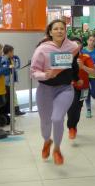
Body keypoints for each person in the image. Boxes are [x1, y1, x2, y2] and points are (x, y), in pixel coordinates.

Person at [32, 19, 80, 165]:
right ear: (50, 32)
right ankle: (47, 141)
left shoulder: (73, 47)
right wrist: (45, 75)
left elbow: (74, 64)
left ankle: (57, 149)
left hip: (65, 88)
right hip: (45, 89)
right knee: (45, 121)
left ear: (66, 31)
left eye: (62, 28)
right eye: (56, 29)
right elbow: (33, 72)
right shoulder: (42, 49)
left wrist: (77, 78)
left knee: (57, 118)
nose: (59, 31)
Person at [66, 38, 95, 140]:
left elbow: (93, 72)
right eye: (73, 43)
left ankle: (74, 126)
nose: (75, 45)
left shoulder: (86, 57)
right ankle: (71, 128)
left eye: (78, 43)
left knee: (78, 108)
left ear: (81, 46)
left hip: (84, 88)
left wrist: (83, 67)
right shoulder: (66, 57)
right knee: (72, 106)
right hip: (70, 87)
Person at [3, 44, 25, 117]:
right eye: (12, 52)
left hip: (11, 80)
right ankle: (14, 110)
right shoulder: (4, 60)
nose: (13, 53)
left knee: (14, 95)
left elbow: (16, 67)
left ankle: (16, 110)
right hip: (7, 81)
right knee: (11, 96)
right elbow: (6, 70)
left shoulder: (11, 59)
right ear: (9, 52)